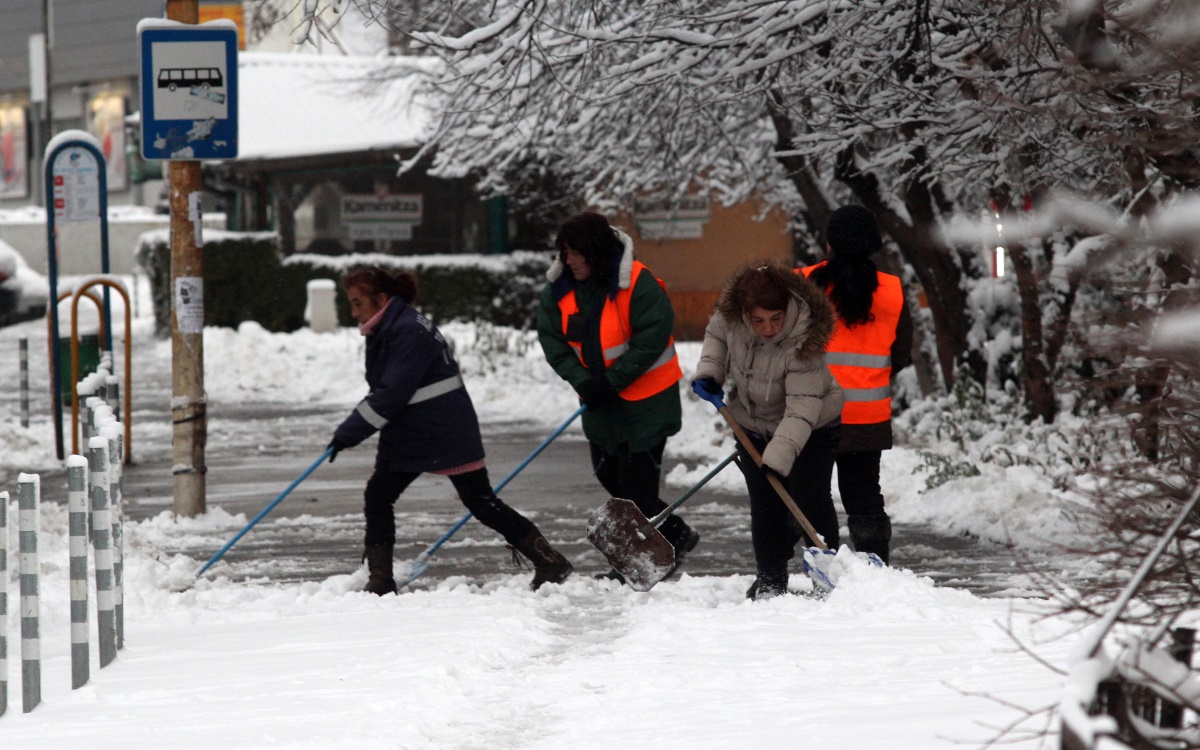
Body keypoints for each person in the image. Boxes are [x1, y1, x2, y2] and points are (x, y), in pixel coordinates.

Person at [329, 266, 573, 594]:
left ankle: (551, 561)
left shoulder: (406, 331)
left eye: (359, 303)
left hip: (440, 429)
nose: (354, 311)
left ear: (382, 299)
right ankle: (379, 579)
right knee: (379, 495)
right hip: (413, 429)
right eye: (351, 303)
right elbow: (386, 391)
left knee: (480, 501)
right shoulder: (390, 326)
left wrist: (348, 434)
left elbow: (391, 393)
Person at [536, 212, 699, 582]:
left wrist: (612, 379)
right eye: (565, 252)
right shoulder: (560, 290)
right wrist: (583, 380)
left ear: (597, 252)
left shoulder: (637, 284)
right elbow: (552, 340)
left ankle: (632, 566)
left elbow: (651, 338)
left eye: (577, 253)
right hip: (600, 401)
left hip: (647, 400)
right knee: (608, 473)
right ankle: (675, 534)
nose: (569, 260)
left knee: (637, 487)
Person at [691, 260, 844, 600]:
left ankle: (828, 583)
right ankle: (771, 582)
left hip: (812, 426)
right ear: (745, 313)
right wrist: (710, 373)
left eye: (776, 319)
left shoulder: (805, 340)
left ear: (787, 309)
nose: (768, 328)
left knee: (809, 501)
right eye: (758, 320)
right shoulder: (732, 317)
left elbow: (803, 407)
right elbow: (717, 335)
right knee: (765, 507)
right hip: (753, 423)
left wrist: (776, 458)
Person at [800, 205, 913, 564]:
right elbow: (901, 353)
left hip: (812, 412)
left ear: (829, 241)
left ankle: (822, 563)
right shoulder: (892, 292)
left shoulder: (801, 283)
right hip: (867, 414)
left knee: (812, 494)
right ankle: (875, 565)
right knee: (865, 497)